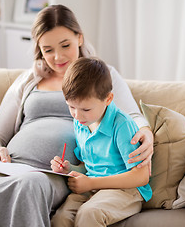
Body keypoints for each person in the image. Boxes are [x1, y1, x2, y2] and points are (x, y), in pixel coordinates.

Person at [0, 4, 154, 227]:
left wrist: (146, 133)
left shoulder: (101, 76)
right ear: (39, 49)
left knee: (28, 186)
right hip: (11, 166)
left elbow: (133, 116)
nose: (58, 57)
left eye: (65, 45)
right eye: (48, 49)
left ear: (79, 38)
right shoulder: (27, 81)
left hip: (50, 173)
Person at [50, 57, 152, 227]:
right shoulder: (81, 123)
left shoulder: (122, 125)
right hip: (92, 185)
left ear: (108, 99)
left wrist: (91, 183)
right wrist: (69, 169)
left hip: (125, 190)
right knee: (60, 219)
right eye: (71, 107)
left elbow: (141, 176)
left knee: (89, 214)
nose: (77, 115)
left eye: (85, 109)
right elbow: (90, 165)